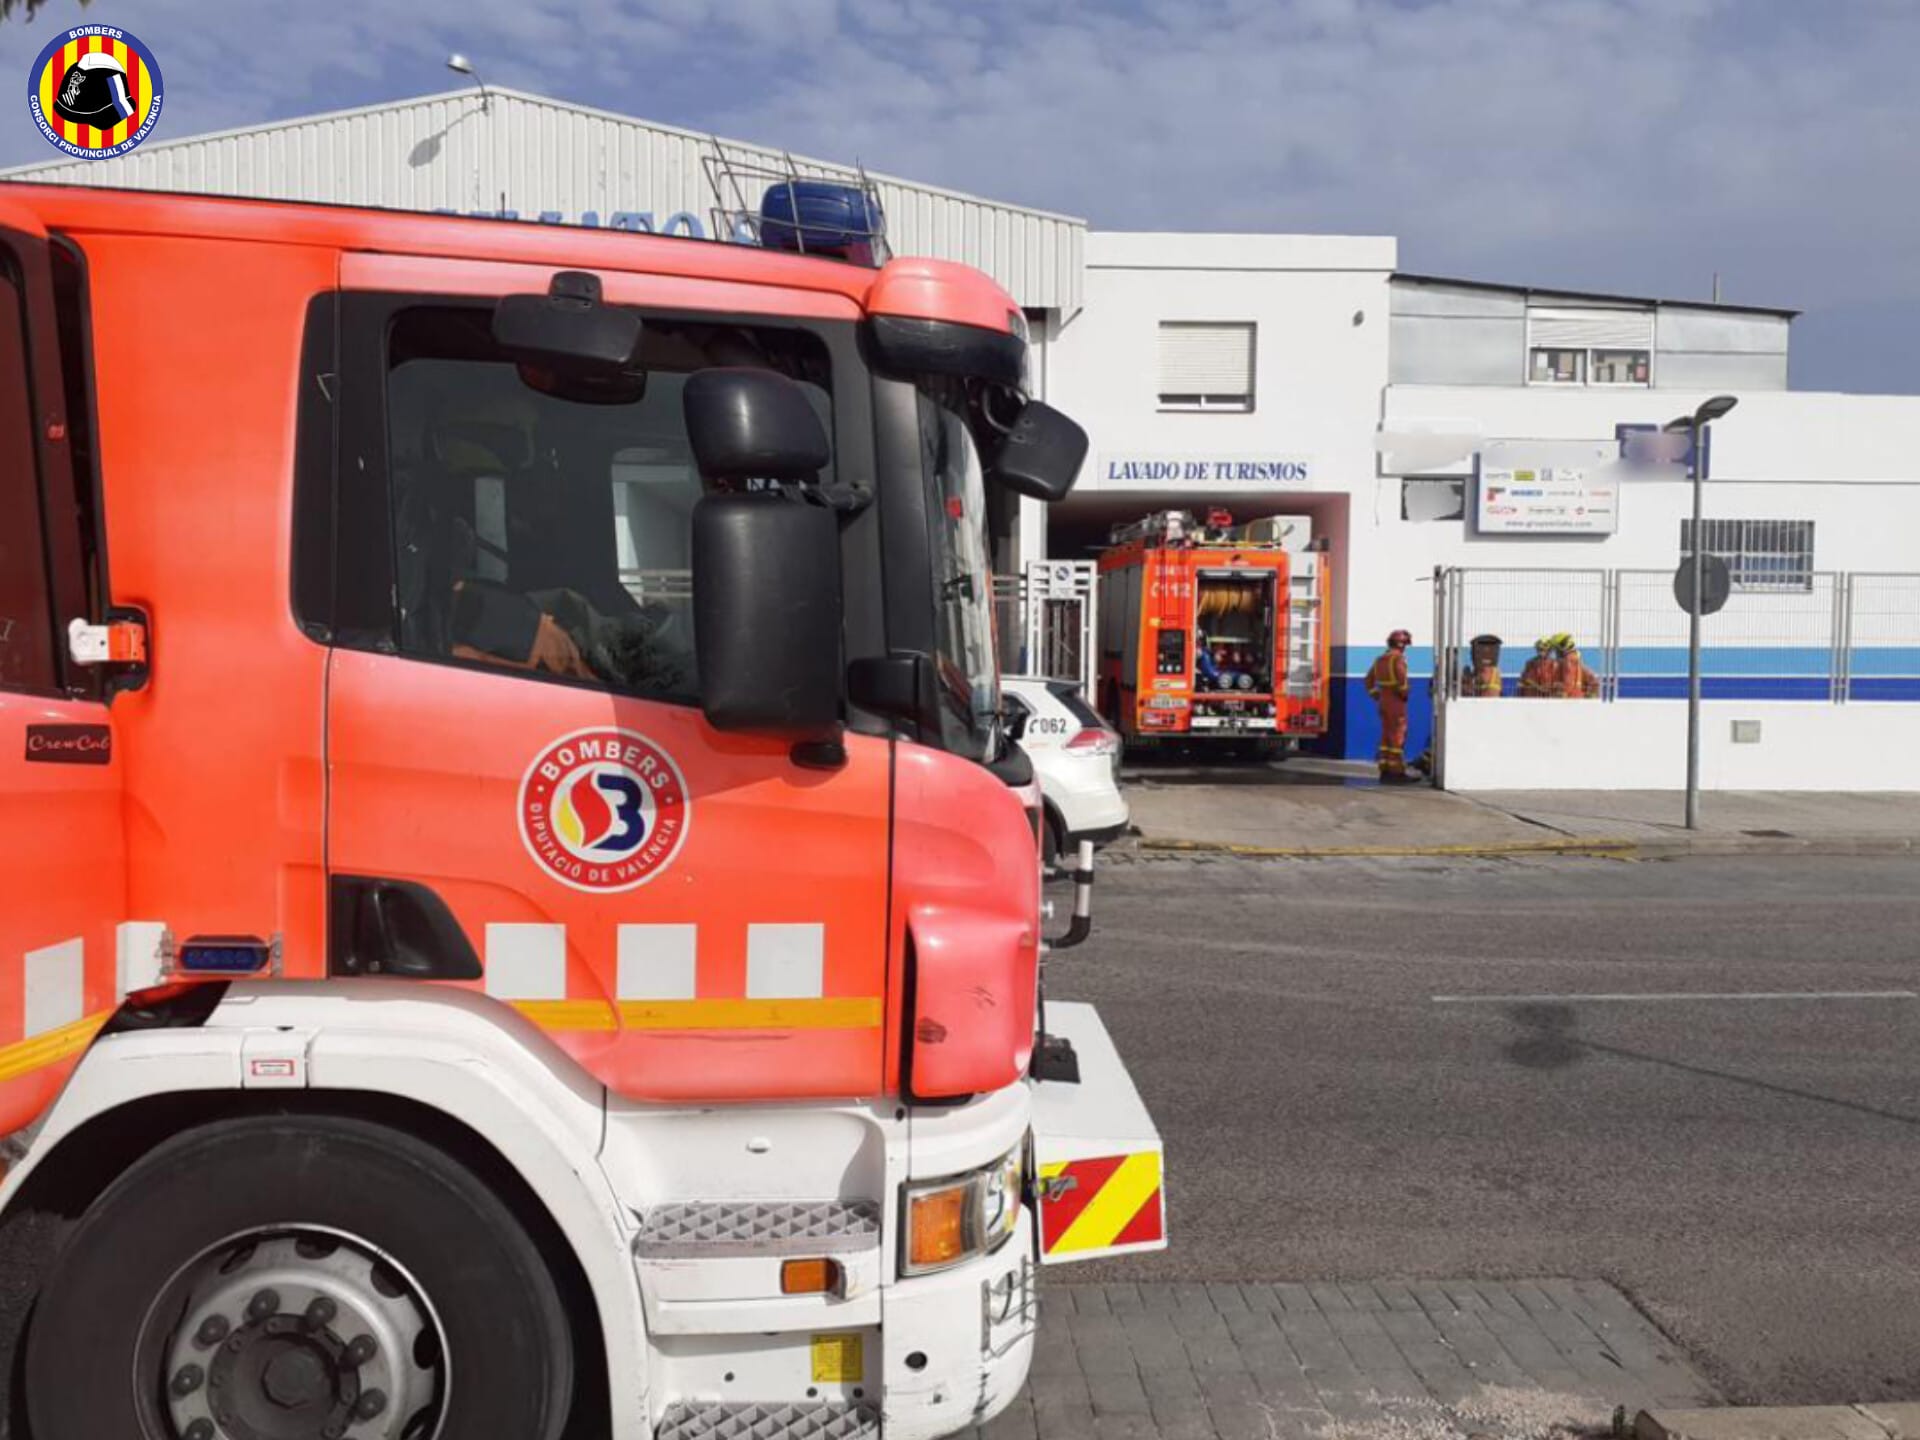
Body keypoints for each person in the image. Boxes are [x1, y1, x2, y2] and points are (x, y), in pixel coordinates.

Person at [1365, 629, 1415, 783]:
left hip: (1383, 701)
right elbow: (1402, 682)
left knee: (1386, 735)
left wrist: (1377, 695)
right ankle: (1396, 772)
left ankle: (1385, 769)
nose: (1405, 648)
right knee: (1398, 735)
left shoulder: (1379, 660)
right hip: (1396, 702)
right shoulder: (1398, 659)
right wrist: (1404, 695)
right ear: (1401, 644)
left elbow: (1368, 680)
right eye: (1405, 645)